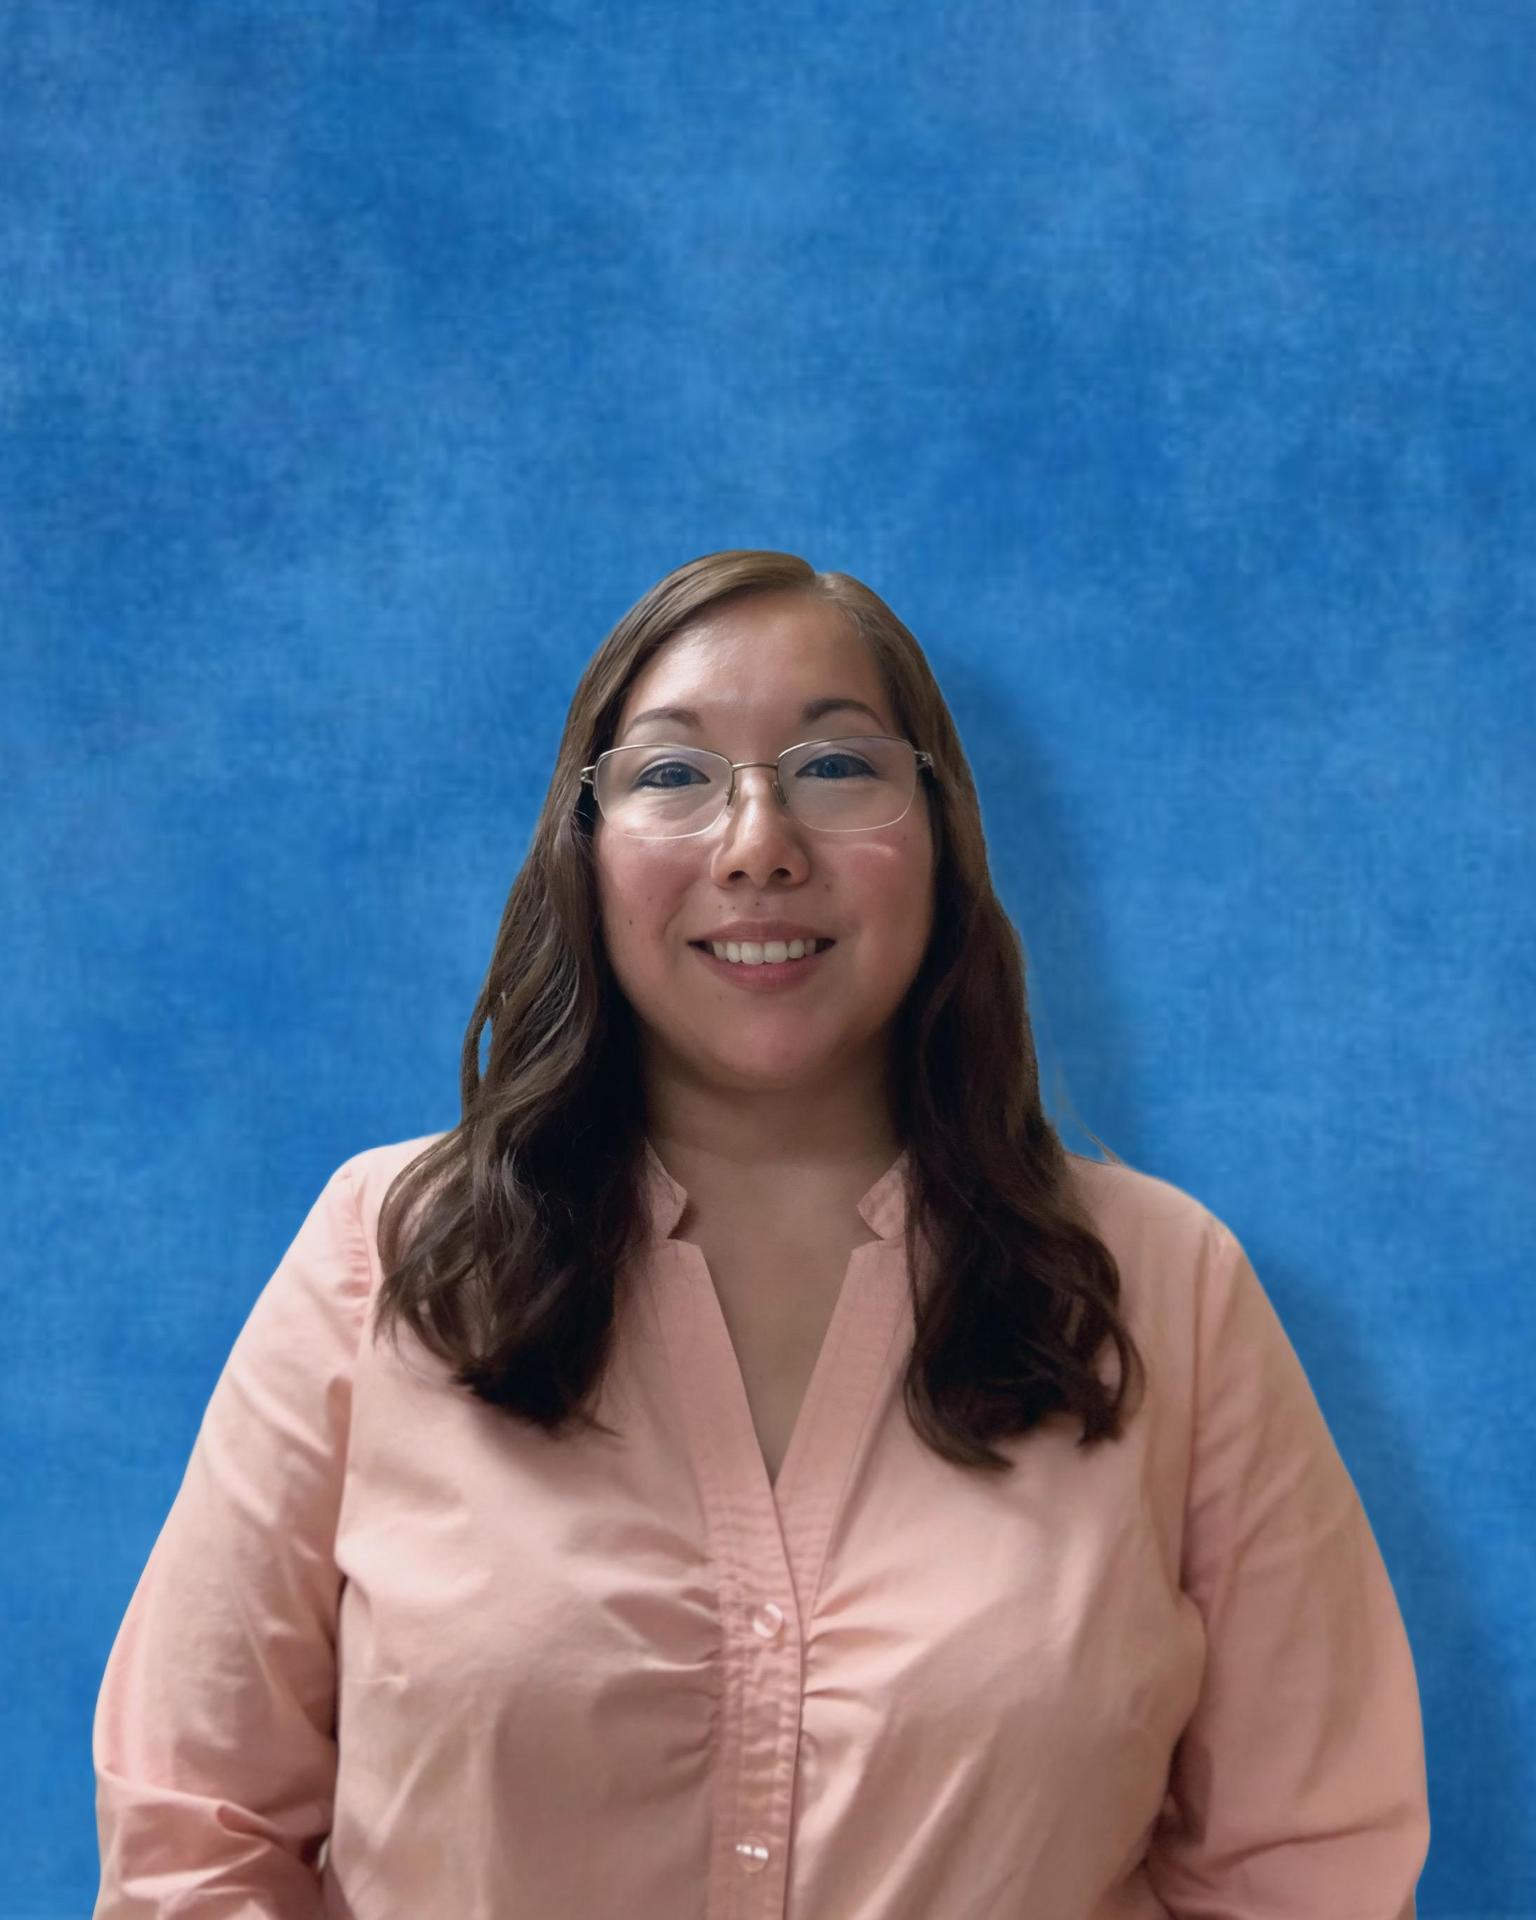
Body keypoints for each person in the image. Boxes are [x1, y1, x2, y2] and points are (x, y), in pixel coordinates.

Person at [91, 550, 1430, 1917]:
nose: (758, 843)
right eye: (674, 775)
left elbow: (1308, 1859)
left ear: (943, 833)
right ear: (585, 845)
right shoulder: (383, 1259)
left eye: (836, 769)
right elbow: (194, 1829)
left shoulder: (1164, 1292)